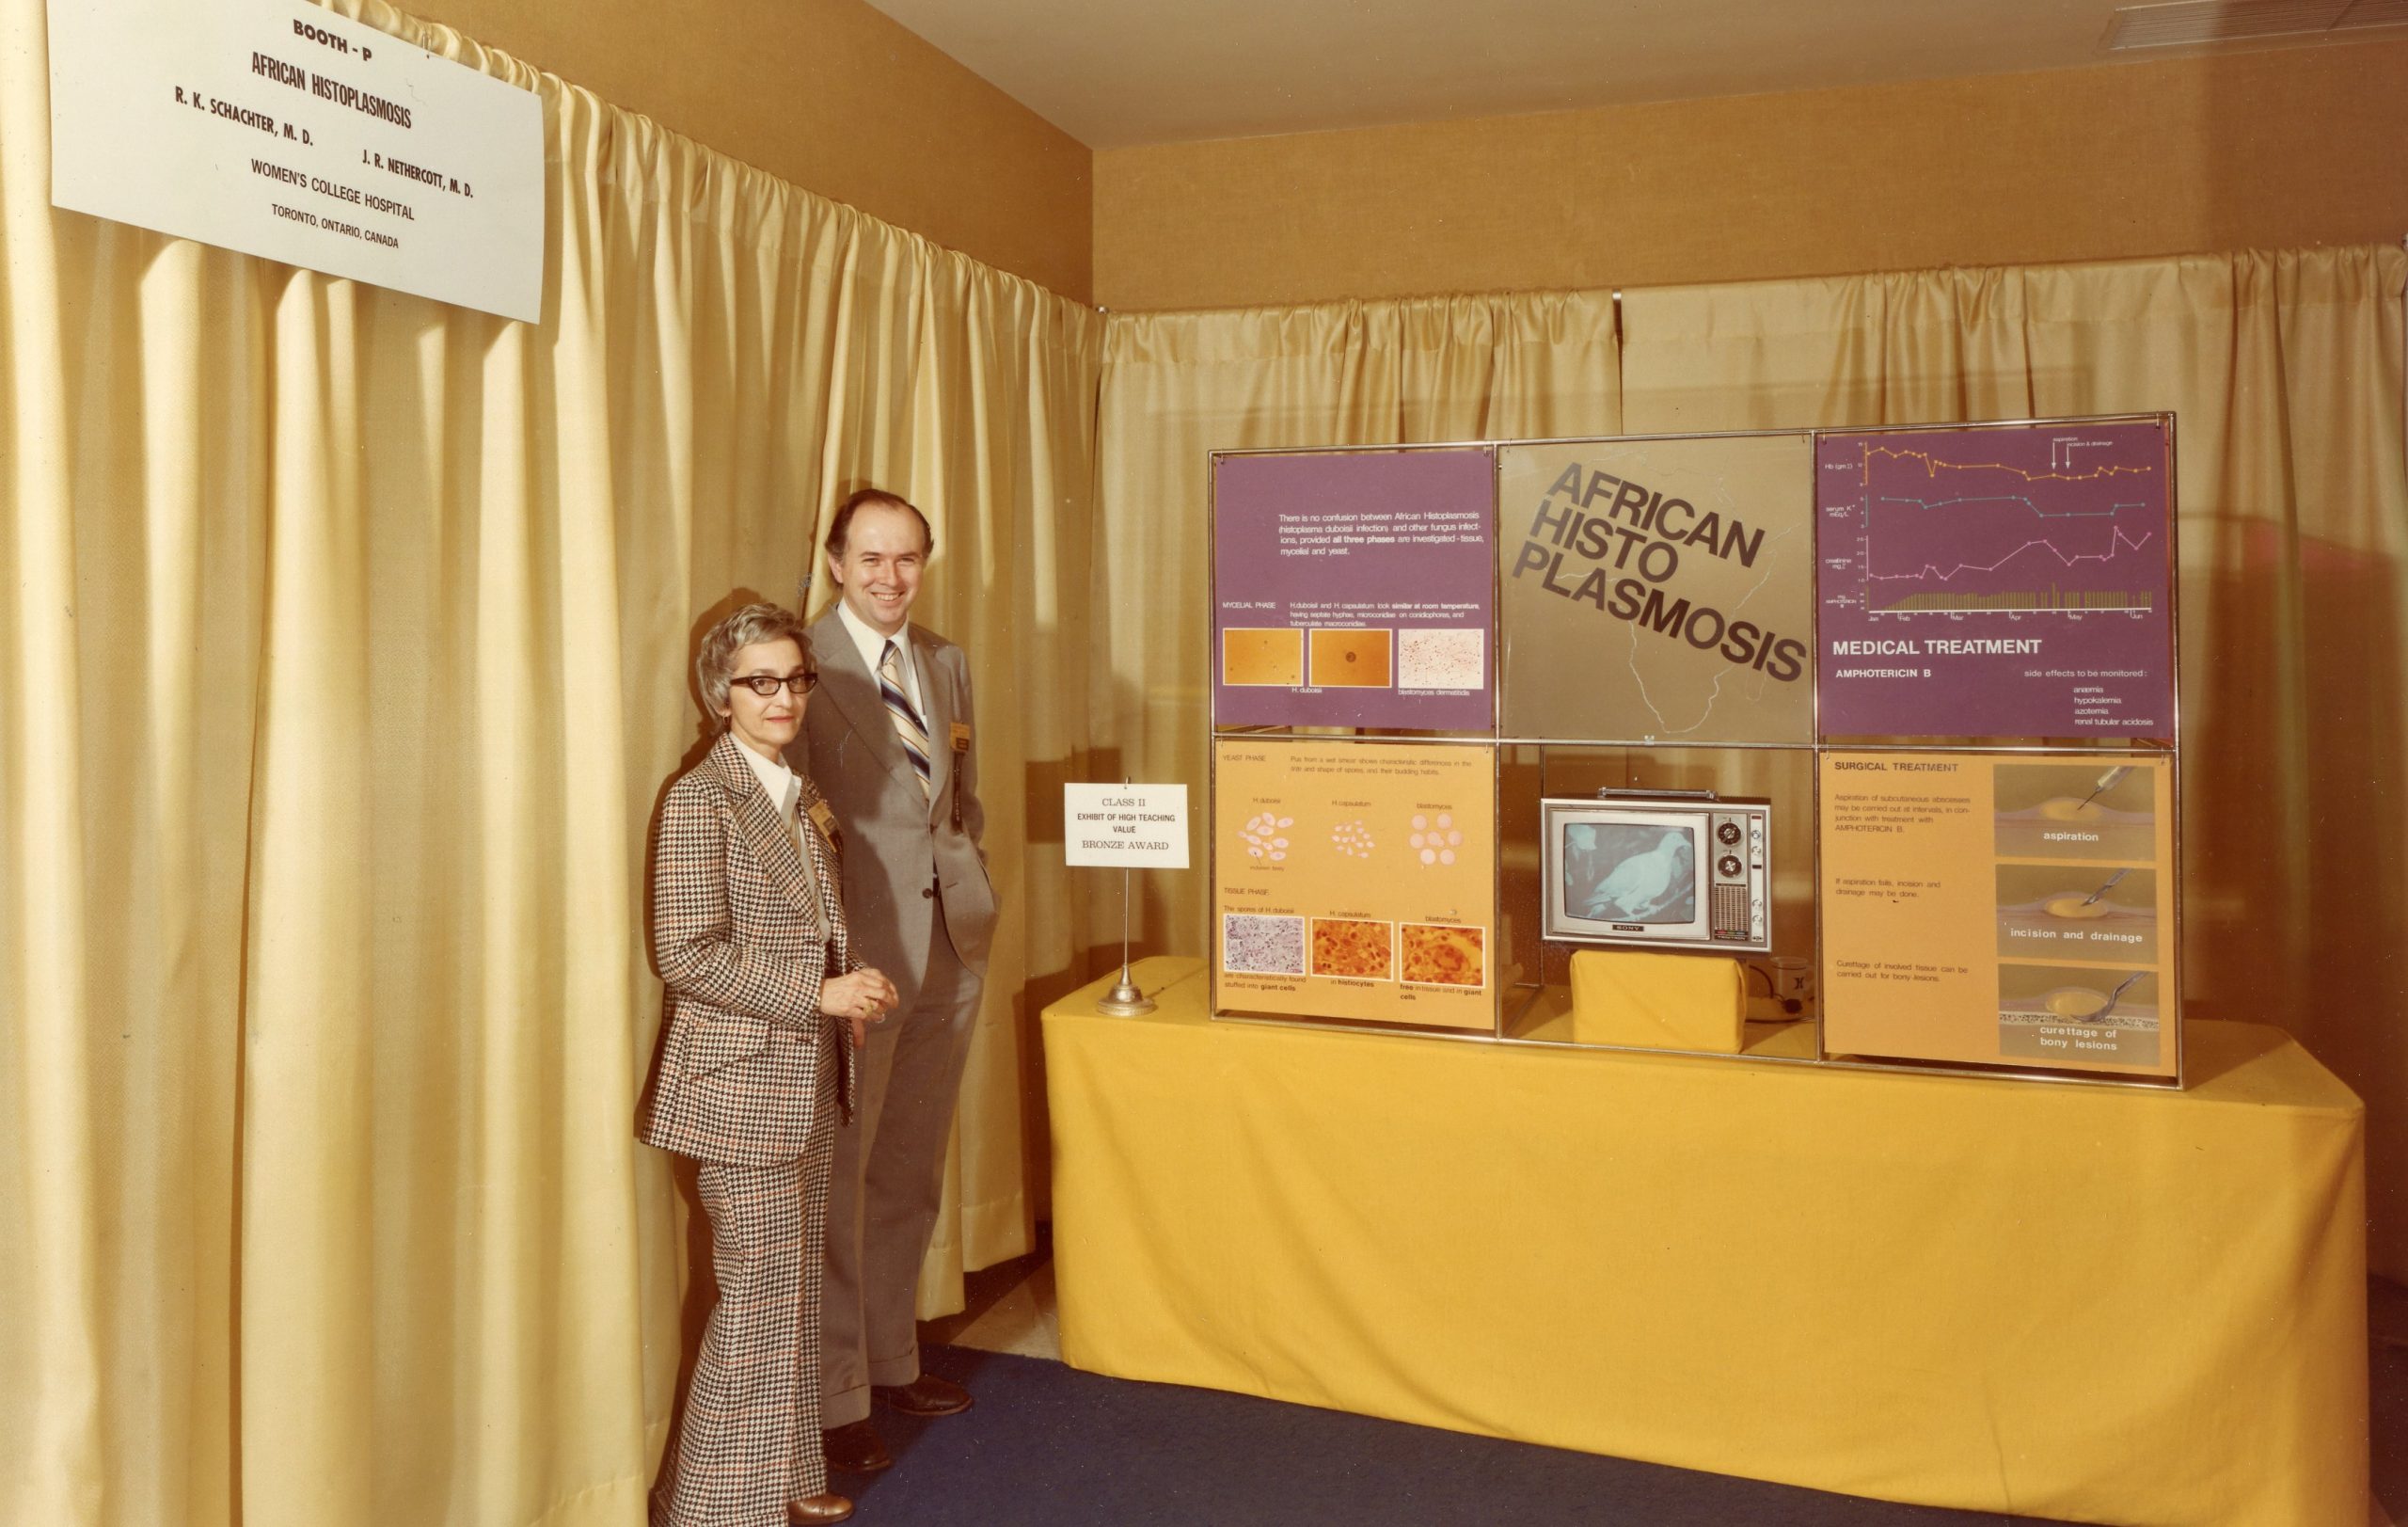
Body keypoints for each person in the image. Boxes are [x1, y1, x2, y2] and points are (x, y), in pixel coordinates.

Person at [640, 602, 899, 1527]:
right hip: (732, 1094)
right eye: (761, 681)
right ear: (721, 695)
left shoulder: (796, 786)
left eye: (796, 679)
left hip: (805, 1079)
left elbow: (811, 924)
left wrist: (847, 996)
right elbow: (686, 953)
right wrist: (816, 995)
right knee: (755, 1306)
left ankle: (786, 1484)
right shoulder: (700, 799)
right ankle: (708, 1513)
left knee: (788, 1297)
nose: (783, 697)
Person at [796, 489, 999, 1476]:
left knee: (907, 1170)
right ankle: (835, 1400)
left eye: (907, 559)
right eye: (870, 559)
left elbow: (960, 799)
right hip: (860, 964)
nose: (889, 578)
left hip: (950, 946)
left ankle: (888, 1358)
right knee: (839, 1178)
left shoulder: (944, 661)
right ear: (835, 561)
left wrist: (972, 887)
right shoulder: (801, 666)